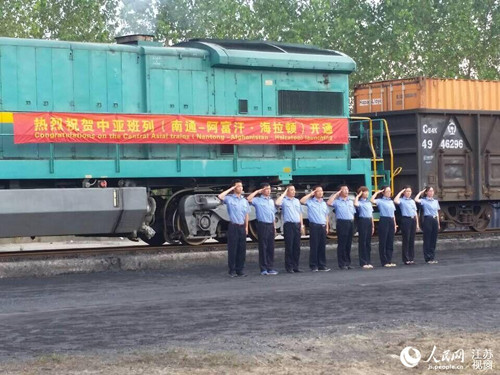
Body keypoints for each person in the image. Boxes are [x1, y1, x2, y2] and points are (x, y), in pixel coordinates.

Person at [218, 180, 250, 277]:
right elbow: (220, 197)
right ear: (234, 188)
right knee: (233, 249)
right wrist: (231, 188)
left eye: (241, 186)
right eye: (238, 186)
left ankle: (240, 270)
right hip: (233, 226)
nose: (241, 188)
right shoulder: (229, 199)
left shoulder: (244, 201)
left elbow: (246, 214)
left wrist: (246, 227)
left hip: (242, 226)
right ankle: (232, 270)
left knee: (242, 249)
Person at [247, 183, 279, 276]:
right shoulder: (257, 200)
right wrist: (257, 191)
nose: (268, 190)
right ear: (262, 190)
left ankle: (270, 267)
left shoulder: (271, 201)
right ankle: (263, 268)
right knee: (263, 247)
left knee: (270, 248)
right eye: (266, 189)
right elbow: (248, 199)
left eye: (269, 189)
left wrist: (274, 227)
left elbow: (273, 214)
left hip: (270, 225)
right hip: (262, 225)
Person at [301, 186, 331, 272]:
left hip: (323, 226)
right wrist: (310, 194)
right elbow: (302, 201)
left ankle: (322, 265)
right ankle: (314, 265)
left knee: (322, 246)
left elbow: (326, 215)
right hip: (314, 226)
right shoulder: (310, 202)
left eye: (322, 191)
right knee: (314, 246)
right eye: (318, 191)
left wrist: (327, 226)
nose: (321, 192)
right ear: (314, 192)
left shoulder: (323, 203)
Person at [276, 185, 304, 273]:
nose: (293, 192)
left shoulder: (296, 201)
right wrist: (284, 193)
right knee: (289, 247)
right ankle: (289, 267)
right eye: (291, 190)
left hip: (297, 225)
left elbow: (300, 213)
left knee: (297, 247)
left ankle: (296, 266)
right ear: (287, 191)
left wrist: (302, 225)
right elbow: (277, 203)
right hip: (288, 225)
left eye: (294, 190)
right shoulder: (284, 201)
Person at [327, 185, 355, 270]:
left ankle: (348, 262)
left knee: (348, 244)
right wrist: (336, 194)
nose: (347, 191)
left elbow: (353, 212)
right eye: (344, 190)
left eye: (347, 189)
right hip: (342, 223)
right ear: (340, 192)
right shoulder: (337, 202)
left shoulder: (350, 201)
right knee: (342, 244)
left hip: (350, 222)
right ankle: (342, 263)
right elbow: (329, 203)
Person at [370, 186, 397, 267]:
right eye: (387, 191)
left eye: (390, 191)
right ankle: (384, 261)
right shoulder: (380, 201)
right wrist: (377, 192)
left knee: (390, 241)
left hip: (391, 220)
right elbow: (371, 200)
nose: (389, 193)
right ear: (383, 192)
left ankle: (389, 260)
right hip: (384, 220)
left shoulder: (391, 201)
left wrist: (395, 224)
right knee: (383, 241)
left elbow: (393, 214)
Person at [394, 186, 420, 265]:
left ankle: (411, 258)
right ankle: (406, 259)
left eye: (410, 191)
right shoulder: (401, 200)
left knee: (412, 240)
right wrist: (401, 192)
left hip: (413, 220)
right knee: (406, 239)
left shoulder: (412, 201)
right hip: (406, 219)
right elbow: (395, 200)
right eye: (407, 191)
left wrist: (417, 224)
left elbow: (415, 212)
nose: (409, 193)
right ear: (404, 192)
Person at [415, 186, 441, 264]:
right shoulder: (423, 200)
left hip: (434, 219)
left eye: (432, 191)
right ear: (426, 192)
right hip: (427, 219)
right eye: (429, 191)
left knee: (433, 239)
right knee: (427, 239)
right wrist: (421, 192)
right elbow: (416, 199)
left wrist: (438, 222)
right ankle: (427, 258)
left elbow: (437, 212)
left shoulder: (435, 201)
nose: (431, 192)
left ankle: (432, 257)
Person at [354, 186, 374, 269]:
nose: (367, 193)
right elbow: (355, 204)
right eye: (365, 192)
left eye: (367, 192)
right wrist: (358, 196)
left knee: (368, 242)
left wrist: (373, 225)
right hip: (363, 221)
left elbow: (371, 214)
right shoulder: (359, 202)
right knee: (363, 241)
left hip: (369, 221)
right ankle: (363, 262)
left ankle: (368, 261)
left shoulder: (368, 203)